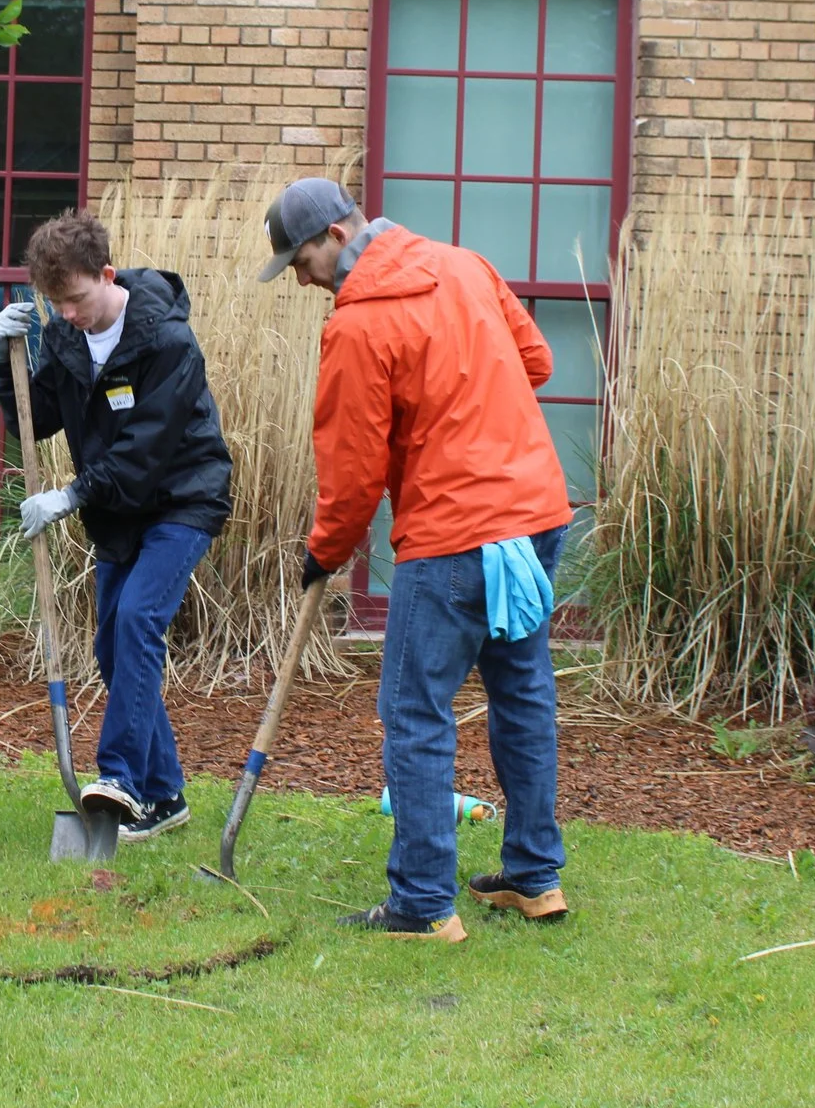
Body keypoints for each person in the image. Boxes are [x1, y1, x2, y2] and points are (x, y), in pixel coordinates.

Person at [259, 178, 573, 942]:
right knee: (521, 694)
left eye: (299, 262)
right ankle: (534, 879)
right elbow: (534, 363)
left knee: (413, 713)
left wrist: (323, 553)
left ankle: (424, 904)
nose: (300, 281)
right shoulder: (465, 265)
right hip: (533, 517)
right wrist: (460, 399)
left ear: (336, 234)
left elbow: (352, 469)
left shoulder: (358, 327)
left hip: (454, 539)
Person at [0, 209, 233, 843]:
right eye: (54, 304)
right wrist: (1, 355)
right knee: (109, 647)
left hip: (182, 500)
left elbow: (145, 451)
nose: (67, 314)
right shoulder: (68, 339)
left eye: (74, 299)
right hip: (118, 509)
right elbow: (34, 420)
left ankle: (120, 780)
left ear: (106, 274)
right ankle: (166, 795)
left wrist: (68, 495)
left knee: (137, 622)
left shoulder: (167, 342)